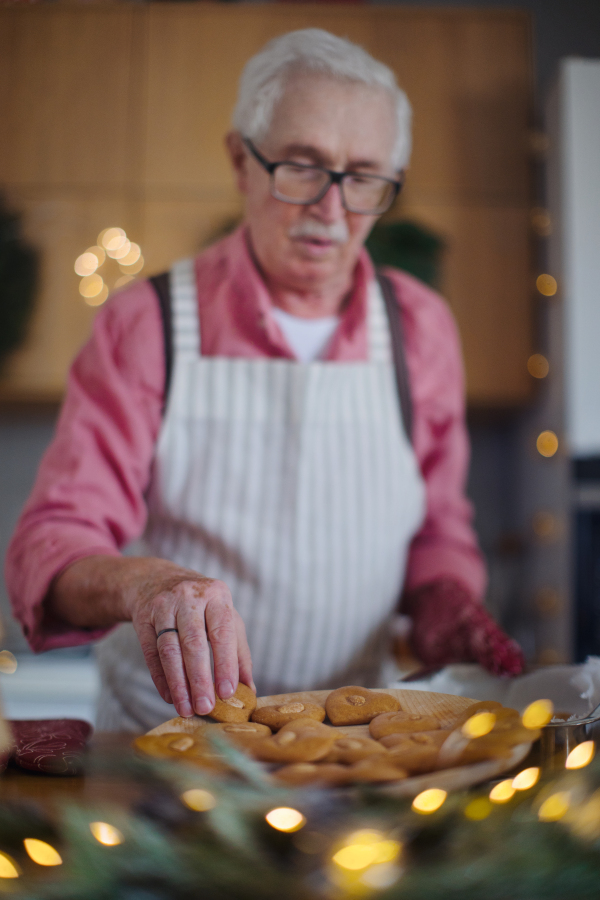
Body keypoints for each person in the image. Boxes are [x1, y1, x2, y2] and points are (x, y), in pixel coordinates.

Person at [6, 29, 524, 732]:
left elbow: (438, 525)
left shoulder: (419, 326)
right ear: (239, 161)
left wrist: (444, 597)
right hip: (171, 752)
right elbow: (55, 542)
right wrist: (148, 584)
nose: (332, 211)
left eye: (365, 178)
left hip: (360, 747)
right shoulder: (148, 322)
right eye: (303, 166)